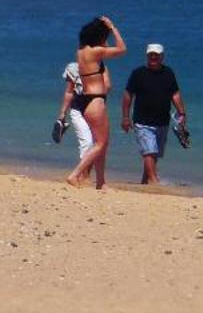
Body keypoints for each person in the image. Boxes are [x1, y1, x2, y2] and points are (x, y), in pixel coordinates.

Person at [64, 16, 127, 189]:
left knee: (101, 142)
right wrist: (113, 27)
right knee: (101, 143)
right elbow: (122, 49)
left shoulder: (81, 51)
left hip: (85, 99)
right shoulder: (96, 52)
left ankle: (101, 182)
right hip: (95, 100)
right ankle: (75, 175)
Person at [121, 43, 187, 186]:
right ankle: (153, 180)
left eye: (156, 55)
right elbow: (128, 95)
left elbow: (175, 93)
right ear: (147, 55)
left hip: (162, 121)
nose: (153, 57)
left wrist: (182, 113)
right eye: (151, 54)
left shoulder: (168, 73)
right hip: (142, 121)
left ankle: (145, 181)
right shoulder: (138, 73)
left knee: (154, 153)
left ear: (162, 56)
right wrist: (125, 117)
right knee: (149, 151)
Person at [54, 60, 94, 166]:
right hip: (78, 110)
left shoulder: (100, 69)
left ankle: (86, 173)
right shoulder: (74, 68)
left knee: (98, 144)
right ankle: (83, 174)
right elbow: (69, 91)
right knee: (87, 142)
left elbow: (107, 87)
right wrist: (63, 114)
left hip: (95, 112)